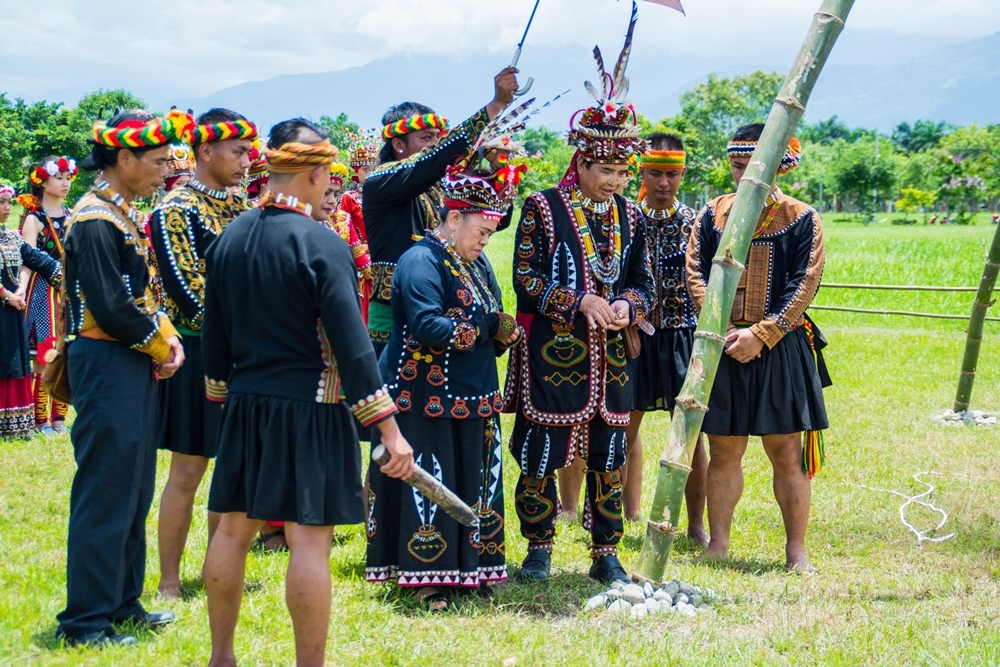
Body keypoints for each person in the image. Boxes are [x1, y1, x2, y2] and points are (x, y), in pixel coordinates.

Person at [201, 118, 414, 667]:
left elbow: (216, 342)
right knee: (310, 542)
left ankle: (220, 656)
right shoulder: (323, 244)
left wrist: (225, 399)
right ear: (318, 173)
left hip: (247, 404)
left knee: (231, 530)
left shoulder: (230, 238)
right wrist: (390, 431)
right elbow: (353, 347)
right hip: (312, 406)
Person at [503, 8, 653, 585]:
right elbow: (526, 277)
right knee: (541, 454)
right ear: (581, 161)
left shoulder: (631, 216)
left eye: (622, 170)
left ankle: (605, 553)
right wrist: (577, 302)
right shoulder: (542, 207)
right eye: (605, 169)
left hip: (611, 357)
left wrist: (627, 306)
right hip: (552, 353)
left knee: (609, 458)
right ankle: (538, 547)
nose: (615, 180)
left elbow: (642, 281)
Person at [366, 146, 525, 611]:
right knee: (431, 482)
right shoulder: (420, 260)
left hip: (473, 393)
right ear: (453, 219)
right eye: (480, 231)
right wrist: (484, 328)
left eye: (491, 233)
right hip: (423, 395)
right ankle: (426, 577)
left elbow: (492, 315)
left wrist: (500, 330)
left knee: (474, 477)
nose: (485, 241)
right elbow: (427, 326)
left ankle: (470, 568)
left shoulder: (475, 263)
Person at [55, 109, 189, 648]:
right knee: (106, 489)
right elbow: (111, 306)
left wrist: (167, 337)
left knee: (133, 487)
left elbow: (144, 295)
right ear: (125, 158)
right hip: (107, 361)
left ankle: (123, 601)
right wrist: (163, 343)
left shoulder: (120, 212)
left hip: (128, 360)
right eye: (157, 161)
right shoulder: (93, 219)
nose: (165, 171)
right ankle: (86, 621)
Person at [686, 123, 829, 572]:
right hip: (722, 344)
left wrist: (762, 334)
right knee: (723, 448)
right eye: (737, 164)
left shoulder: (802, 217)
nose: (744, 173)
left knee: (786, 450)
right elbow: (695, 273)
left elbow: (805, 283)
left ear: (778, 165)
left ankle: (796, 552)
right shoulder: (711, 214)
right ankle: (719, 544)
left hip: (781, 347)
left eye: (754, 165)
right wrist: (726, 328)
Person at [148, 108, 256, 599]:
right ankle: (170, 580)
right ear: (205, 151)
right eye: (238, 151)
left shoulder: (245, 211)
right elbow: (188, 293)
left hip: (248, 354)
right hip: (198, 351)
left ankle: (218, 568)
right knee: (188, 469)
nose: (246, 161)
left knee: (234, 468)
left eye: (250, 151)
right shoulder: (175, 210)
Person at [363, 66, 519, 353]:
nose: (435, 145)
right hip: (394, 312)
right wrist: (495, 106)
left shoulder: (443, 184)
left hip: (446, 306)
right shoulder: (380, 180)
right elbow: (430, 163)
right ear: (397, 143)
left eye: (437, 137)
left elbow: (498, 218)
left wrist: (497, 170)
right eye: (426, 138)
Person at [623, 134, 708, 544]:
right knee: (622, 427)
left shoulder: (697, 223)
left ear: (682, 174)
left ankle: (695, 525)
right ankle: (616, 518)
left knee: (690, 435)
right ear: (641, 171)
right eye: (655, 173)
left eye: (671, 174)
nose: (663, 183)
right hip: (632, 338)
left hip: (683, 337)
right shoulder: (625, 219)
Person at [17, 156, 76, 435]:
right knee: (45, 355)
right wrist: (20, 290)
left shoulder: (73, 214)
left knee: (69, 354)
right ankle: (41, 419)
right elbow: (27, 261)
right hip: (42, 293)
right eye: (59, 178)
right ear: (42, 180)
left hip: (69, 293)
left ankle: (60, 418)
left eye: (68, 178)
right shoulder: (34, 219)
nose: (65, 183)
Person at [0, 184, 61, 440]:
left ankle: (15, 423)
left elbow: (40, 261)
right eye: (1, 203)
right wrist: (6, 295)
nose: (6, 208)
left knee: (13, 359)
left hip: (12, 311)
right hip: (8, 303)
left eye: (8, 203)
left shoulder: (12, 238)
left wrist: (74, 277)